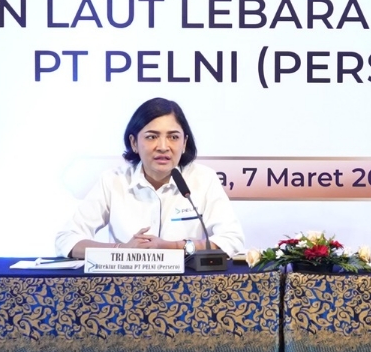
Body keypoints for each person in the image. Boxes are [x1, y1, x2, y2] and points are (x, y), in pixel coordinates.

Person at [56, 98, 245, 259]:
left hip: (189, 286)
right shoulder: (113, 181)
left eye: (173, 137)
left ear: (184, 143)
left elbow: (232, 240)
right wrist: (122, 250)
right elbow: (67, 239)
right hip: (126, 286)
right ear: (134, 143)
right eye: (152, 137)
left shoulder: (203, 179)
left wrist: (172, 247)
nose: (163, 146)